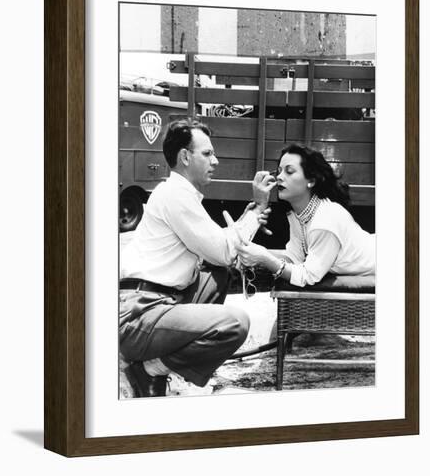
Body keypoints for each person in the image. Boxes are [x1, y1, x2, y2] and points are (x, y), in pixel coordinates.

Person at [119, 119, 275, 397]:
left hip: (158, 303)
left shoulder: (179, 194)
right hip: (140, 315)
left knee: (217, 275)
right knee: (235, 324)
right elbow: (225, 251)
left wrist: (248, 217)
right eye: (207, 154)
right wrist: (256, 211)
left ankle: (164, 371)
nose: (215, 161)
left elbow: (219, 248)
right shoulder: (176, 195)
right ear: (185, 157)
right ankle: (150, 370)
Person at [237, 144, 375, 287]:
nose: (279, 177)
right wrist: (254, 251)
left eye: (289, 172)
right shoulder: (298, 213)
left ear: (311, 181)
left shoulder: (325, 220)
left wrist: (263, 257)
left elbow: (307, 276)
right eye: (279, 171)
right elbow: (295, 258)